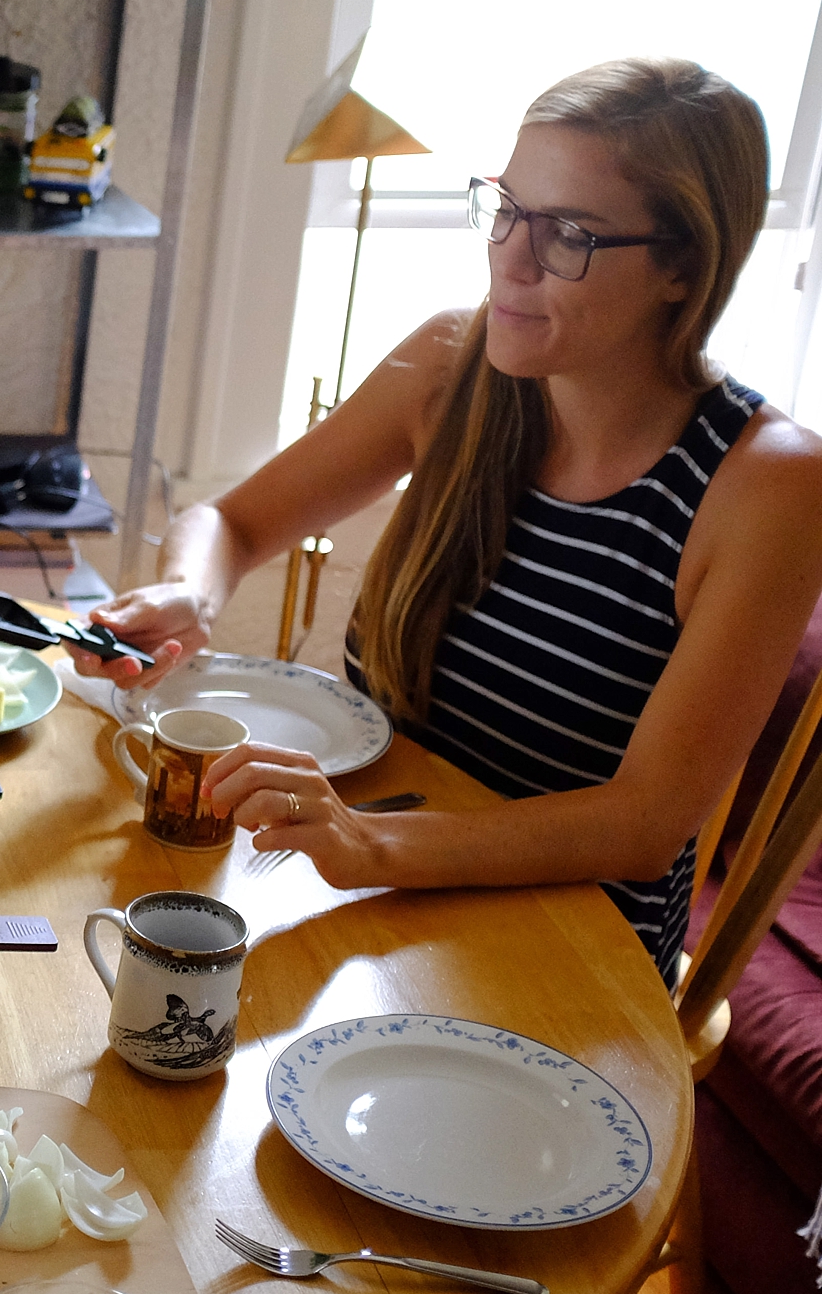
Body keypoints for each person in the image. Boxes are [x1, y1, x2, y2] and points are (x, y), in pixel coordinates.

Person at [73, 58, 822, 979]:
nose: (509, 256)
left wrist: (375, 846)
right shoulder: (448, 363)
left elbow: (643, 826)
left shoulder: (770, 484)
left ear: (682, 267)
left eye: (569, 234)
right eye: (505, 207)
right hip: (374, 903)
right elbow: (229, 521)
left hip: (571, 959)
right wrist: (190, 590)